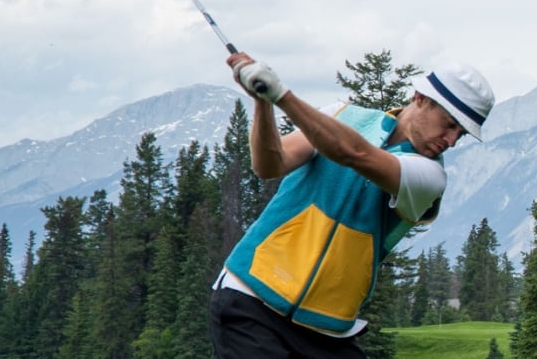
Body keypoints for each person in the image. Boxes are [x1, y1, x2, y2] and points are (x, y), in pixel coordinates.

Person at [207, 52, 494, 358]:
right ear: (421, 98)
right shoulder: (341, 116)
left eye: (460, 134)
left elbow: (356, 154)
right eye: (449, 125)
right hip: (251, 297)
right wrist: (263, 102)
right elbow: (270, 163)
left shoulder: (430, 176)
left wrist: (280, 95)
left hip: (327, 330)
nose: (451, 140)